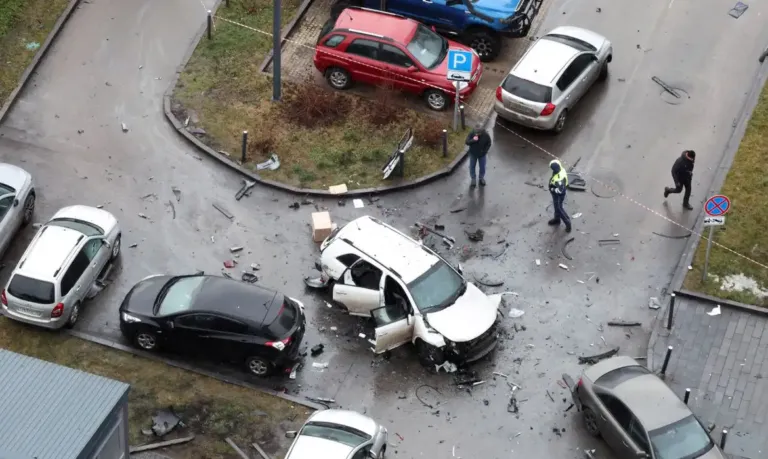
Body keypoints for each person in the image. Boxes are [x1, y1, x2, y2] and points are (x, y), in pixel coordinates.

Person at [548, 159, 571, 233]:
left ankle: (567, 223)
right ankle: (557, 219)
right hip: (556, 194)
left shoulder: (559, 179)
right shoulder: (560, 169)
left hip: (558, 195)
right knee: (556, 206)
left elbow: (561, 191)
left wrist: (552, 189)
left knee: (559, 208)